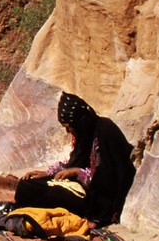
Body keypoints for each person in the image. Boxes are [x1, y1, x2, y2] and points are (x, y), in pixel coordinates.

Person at [12, 91, 136, 225]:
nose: (68, 131)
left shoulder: (104, 131)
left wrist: (78, 172)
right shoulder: (85, 135)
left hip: (96, 198)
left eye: (69, 127)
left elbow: (107, 177)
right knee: (26, 186)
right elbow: (72, 162)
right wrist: (47, 173)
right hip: (78, 186)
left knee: (44, 194)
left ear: (79, 122)